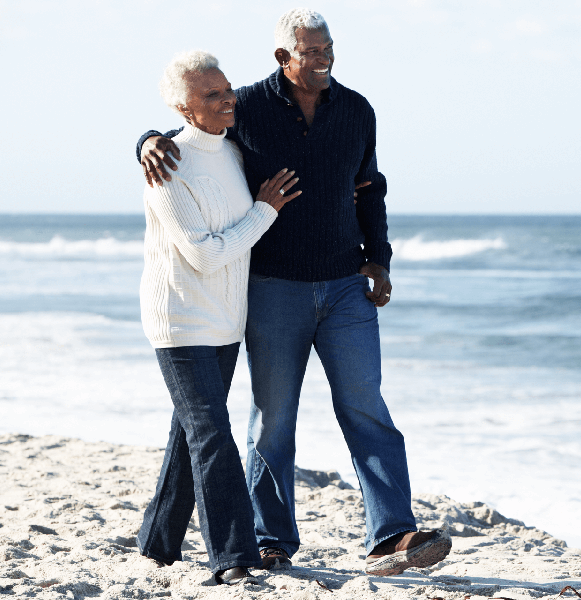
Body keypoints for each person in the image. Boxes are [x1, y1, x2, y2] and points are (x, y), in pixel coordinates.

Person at [137, 9, 452, 576]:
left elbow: (370, 188)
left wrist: (378, 257)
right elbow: (195, 132)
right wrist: (146, 139)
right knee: (274, 419)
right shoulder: (247, 107)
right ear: (284, 57)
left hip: (345, 287)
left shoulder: (357, 110)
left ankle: (392, 533)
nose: (325, 57)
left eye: (328, 46)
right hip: (272, 289)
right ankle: (270, 538)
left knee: (366, 407)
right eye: (311, 50)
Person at [136, 49, 301, 586]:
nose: (228, 98)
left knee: (192, 430)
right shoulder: (167, 166)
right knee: (212, 432)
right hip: (180, 321)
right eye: (211, 94)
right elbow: (205, 254)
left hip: (226, 321)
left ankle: (158, 539)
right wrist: (266, 211)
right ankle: (234, 554)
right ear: (184, 108)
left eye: (227, 87)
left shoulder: (233, 151)